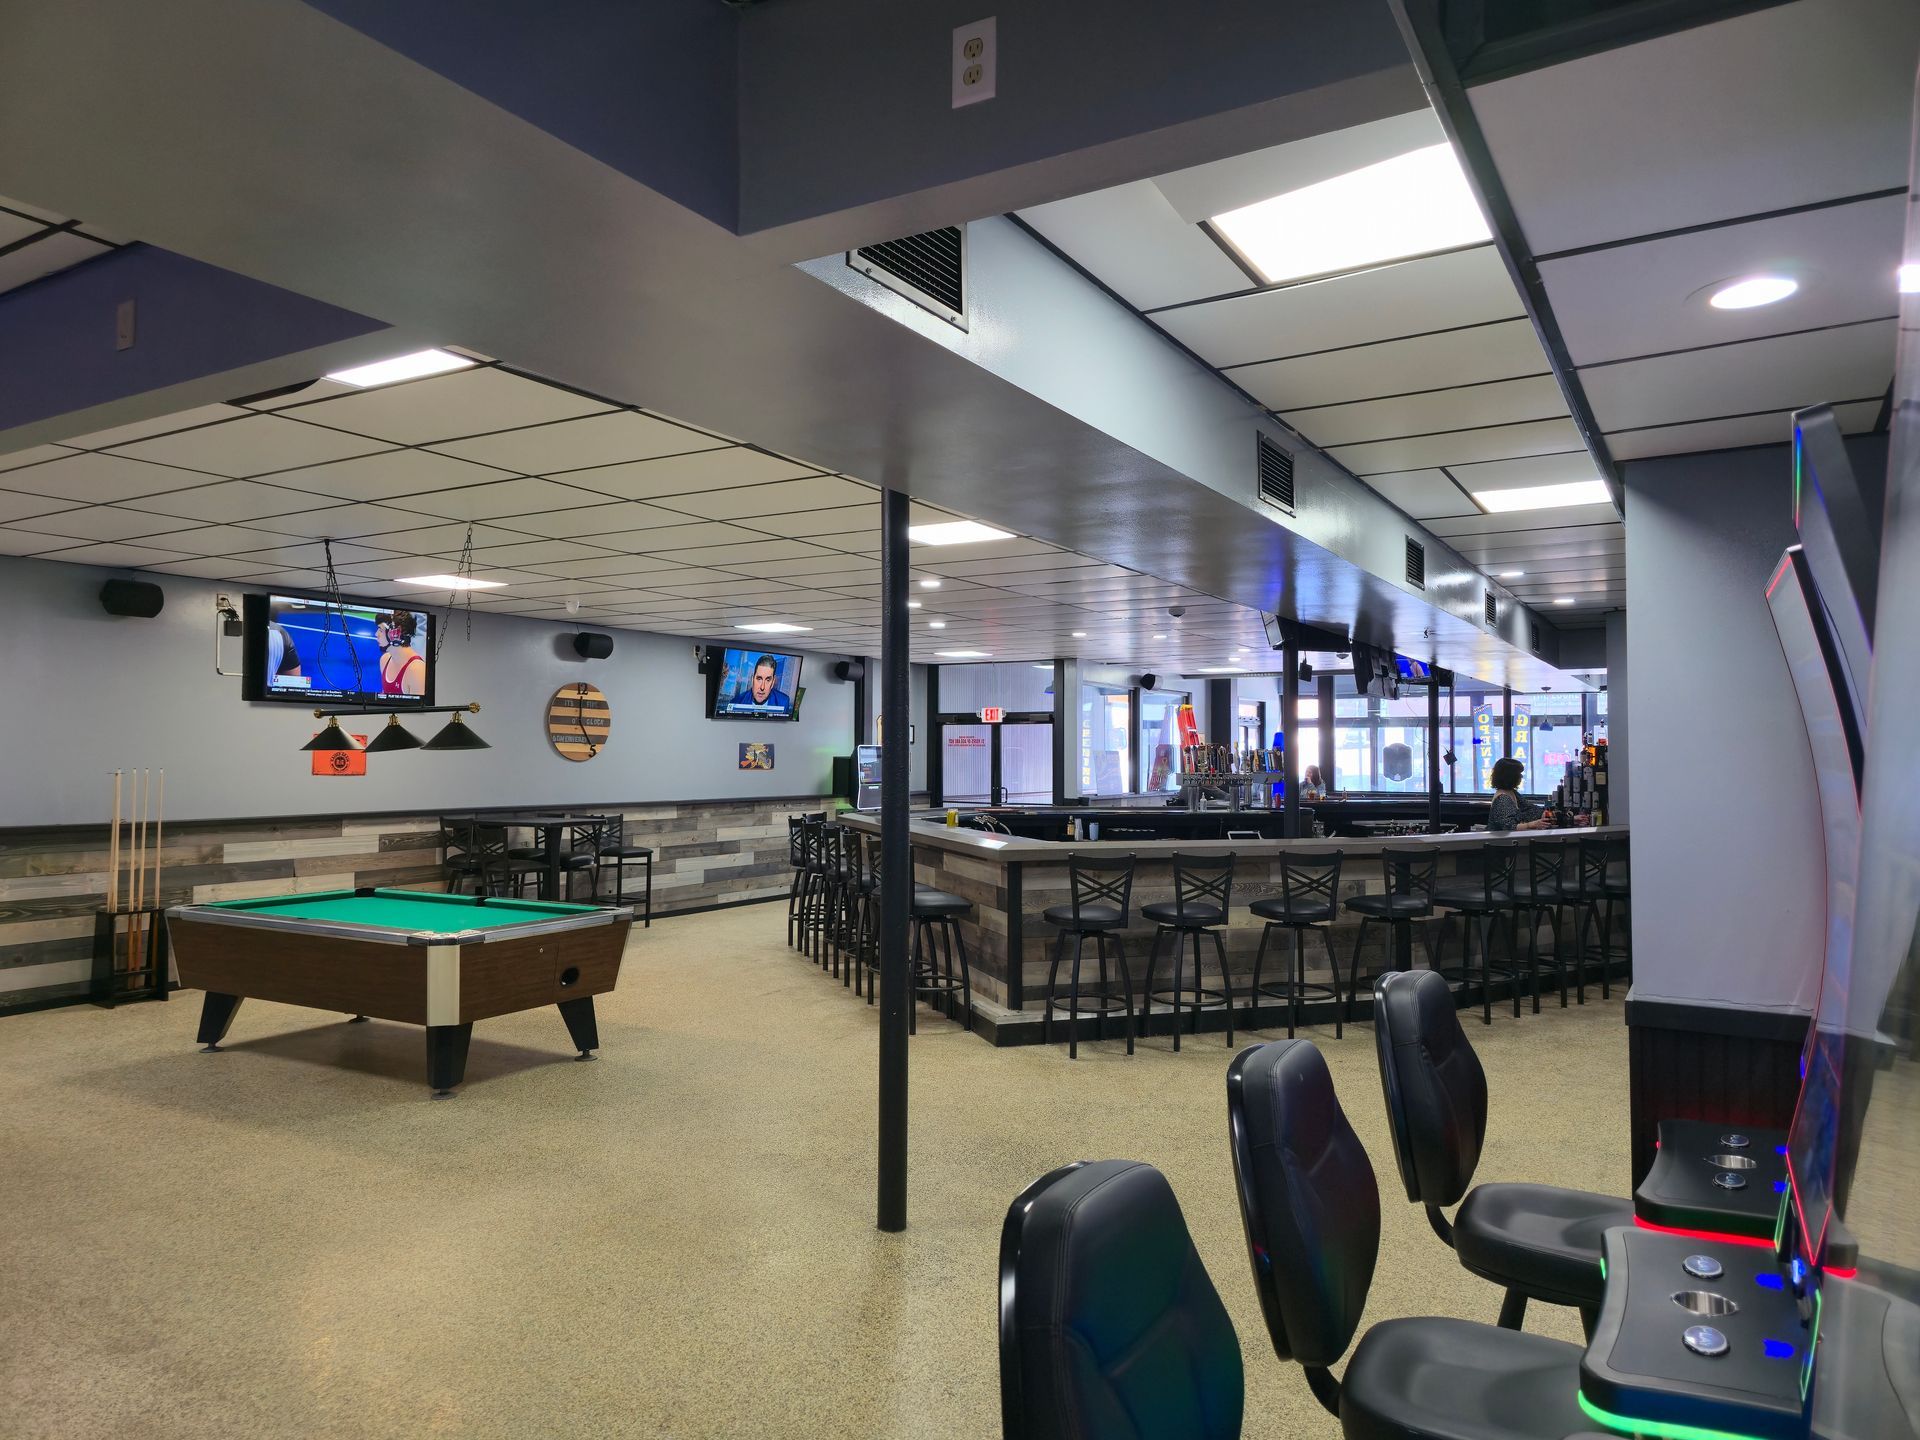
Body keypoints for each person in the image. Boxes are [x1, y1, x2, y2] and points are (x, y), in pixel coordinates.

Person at [1488, 757, 1551, 833]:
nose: (1521, 776)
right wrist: (1531, 824)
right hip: (1502, 842)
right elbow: (1509, 827)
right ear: (1510, 776)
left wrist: (1544, 812)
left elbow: (1529, 808)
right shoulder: (1502, 798)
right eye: (1519, 774)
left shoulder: (1512, 792)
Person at [377, 611, 426, 697]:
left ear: (394, 634)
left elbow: (417, 710)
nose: (376, 634)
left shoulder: (416, 669)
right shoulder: (384, 660)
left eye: (380, 630)